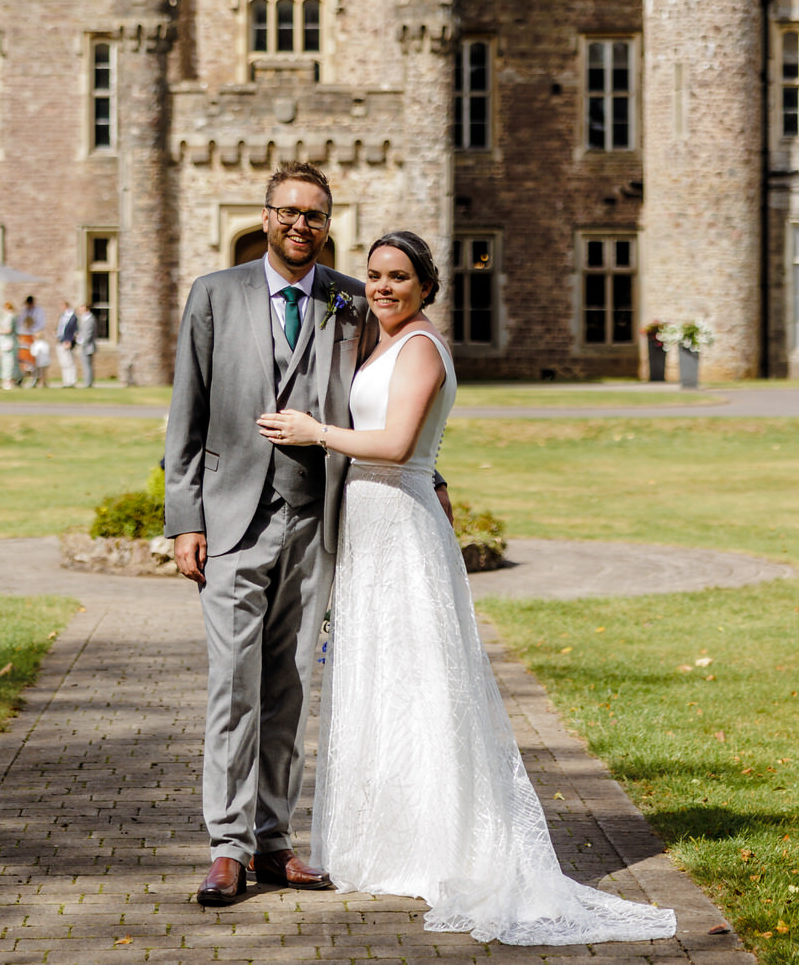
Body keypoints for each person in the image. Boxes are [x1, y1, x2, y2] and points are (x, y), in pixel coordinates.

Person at [259, 231, 679, 946]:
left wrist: (313, 429)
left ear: (426, 284)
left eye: (398, 277)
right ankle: (390, 839)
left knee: (425, 681)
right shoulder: (382, 339)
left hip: (401, 522)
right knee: (382, 681)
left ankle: (447, 846)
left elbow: (395, 444)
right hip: (371, 523)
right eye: (374, 276)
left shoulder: (421, 347)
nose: (383, 287)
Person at [163, 162, 365, 907]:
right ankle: (227, 844)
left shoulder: (350, 299)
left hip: (315, 520)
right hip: (233, 520)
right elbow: (186, 411)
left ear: (327, 222)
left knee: (292, 687)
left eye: (314, 214)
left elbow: (378, 400)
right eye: (287, 211)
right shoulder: (215, 295)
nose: (299, 225)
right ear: (266, 214)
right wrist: (185, 519)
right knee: (232, 685)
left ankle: (275, 841)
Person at [55, 301, 81, 387]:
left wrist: (69, 341)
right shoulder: (62, 316)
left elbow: (74, 331)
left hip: (67, 342)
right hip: (61, 341)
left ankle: (72, 381)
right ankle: (66, 381)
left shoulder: (73, 317)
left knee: (70, 362)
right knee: (64, 363)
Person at [0, 301, 19, 389]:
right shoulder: (9, 316)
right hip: (5, 342)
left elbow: (8, 330)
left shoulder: (10, 317)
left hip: (8, 342)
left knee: (8, 362)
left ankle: (8, 381)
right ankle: (9, 381)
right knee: (7, 362)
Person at [75, 297, 98, 388]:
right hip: (85, 345)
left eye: (82, 308)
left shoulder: (90, 319)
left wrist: (81, 343)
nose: (80, 310)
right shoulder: (84, 319)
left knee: (87, 365)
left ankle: (88, 383)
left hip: (88, 346)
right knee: (86, 365)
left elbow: (88, 334)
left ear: (86, 309)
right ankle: (87, 382)